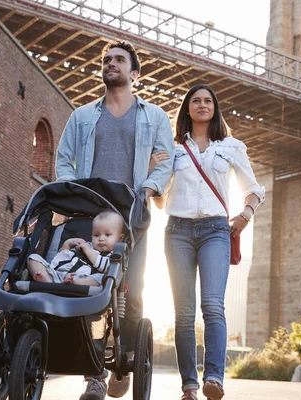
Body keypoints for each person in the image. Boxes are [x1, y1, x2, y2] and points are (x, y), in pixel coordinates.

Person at [55, 40, 174, 400]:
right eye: (107, 60)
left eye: (119, 60)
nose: (111, 64)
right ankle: (93, 375)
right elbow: (64, 159)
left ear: (134, 73)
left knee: (132, 292)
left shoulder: (154, 117)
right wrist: (71, 191)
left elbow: (165, 161)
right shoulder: (82, 116)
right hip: (90, 216)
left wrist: (148, 189)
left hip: (132, 215)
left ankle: (125, 358)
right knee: (89, 290)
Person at [153, 84, 265, 400]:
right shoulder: (173, 148)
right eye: (195, 101)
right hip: (177, 232)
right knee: (184, 313)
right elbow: (161, 202)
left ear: (214, 109)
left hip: (216, 231)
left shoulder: (231, 147)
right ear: (187, 109)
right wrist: (153, 171)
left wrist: (245, 214)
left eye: (207, 101)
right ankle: (189, 386)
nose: (202, 105)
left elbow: (253, 187)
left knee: (213, 305)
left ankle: (214, 378)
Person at [27, 211, 124, 287]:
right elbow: (58, 262)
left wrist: (88, 251)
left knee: (103, 278)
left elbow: (105, 267)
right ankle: (48, 283)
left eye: (107, 235)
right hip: (59, 276)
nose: (101, 239)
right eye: (96, 235)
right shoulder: (84, 246)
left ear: (119, 239)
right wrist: (66, 246)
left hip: (83, 281)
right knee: (33, 258)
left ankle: (73, 283)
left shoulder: (114, 255)